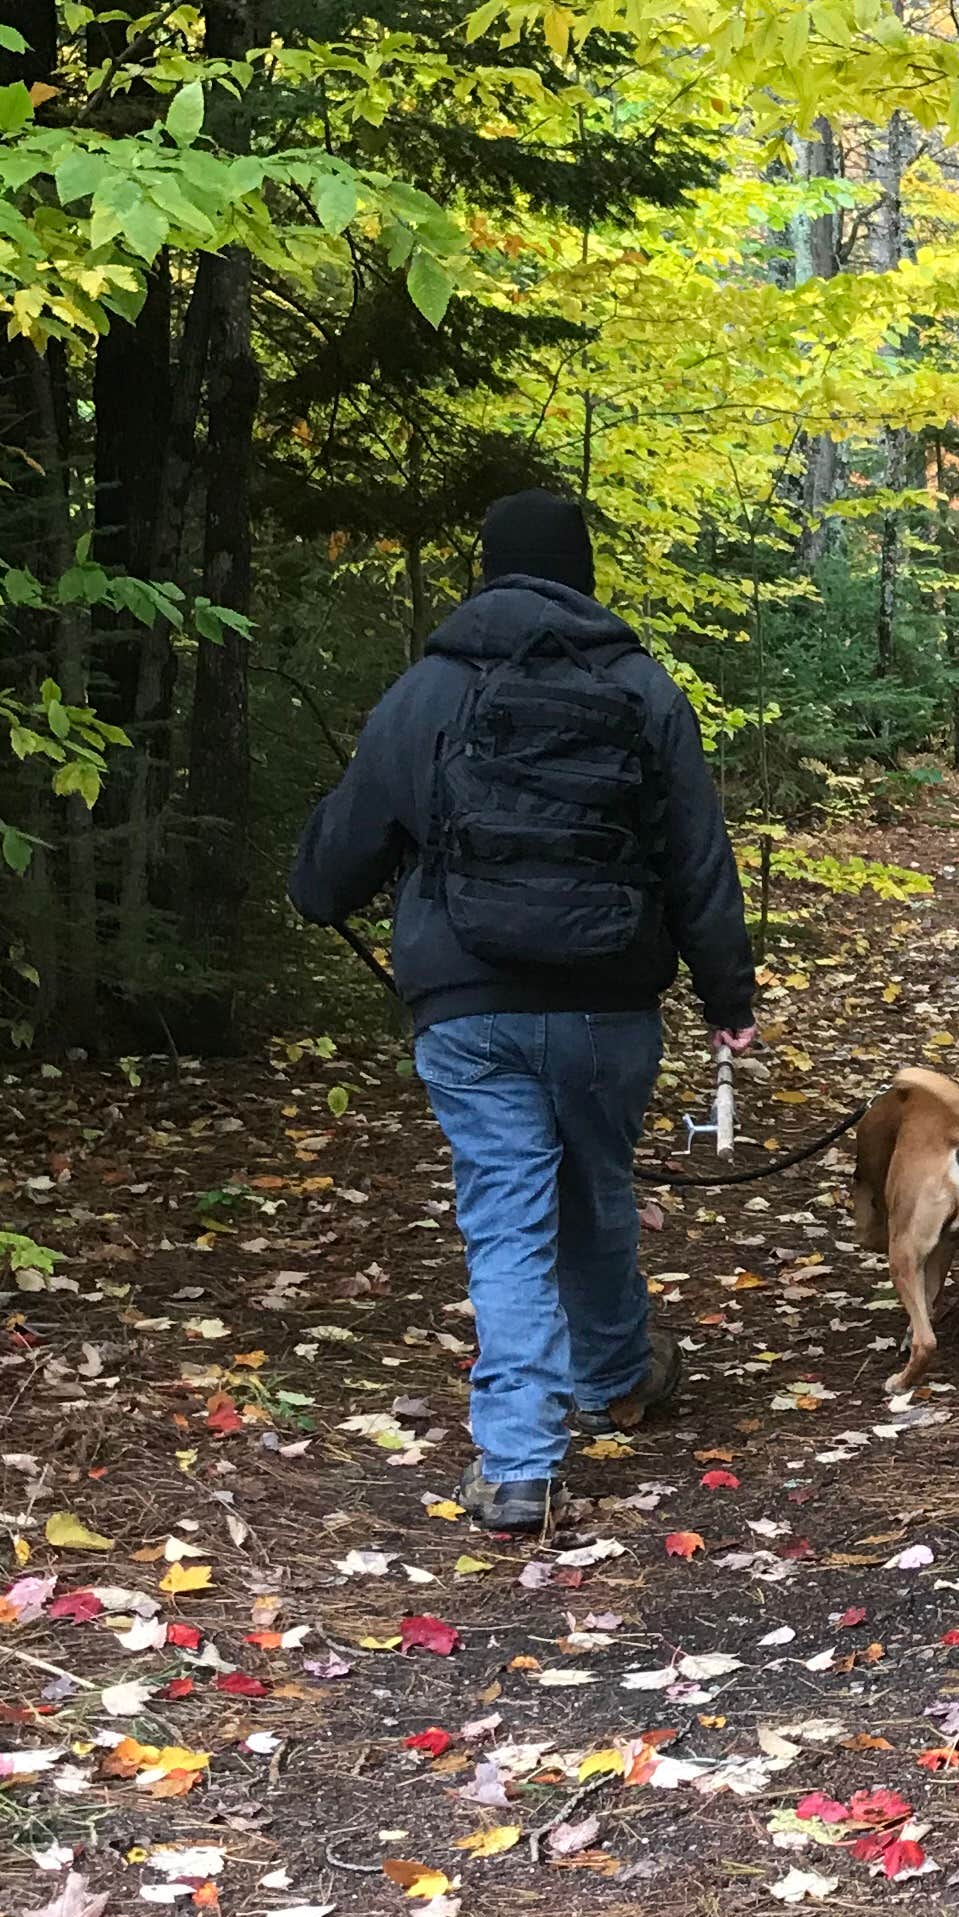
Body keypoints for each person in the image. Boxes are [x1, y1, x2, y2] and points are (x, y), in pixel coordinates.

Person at [290, 491, 756, 1535]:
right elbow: (697, 859)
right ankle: (621, 1376)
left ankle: (519, 1468)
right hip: (609, 1007)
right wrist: (729, 997)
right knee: (595, 1190)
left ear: (487, 571)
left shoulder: (427, 691)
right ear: (581, 574)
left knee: (508, 1221)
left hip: (469, 1007)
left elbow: (329, 877)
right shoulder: (643, 688)